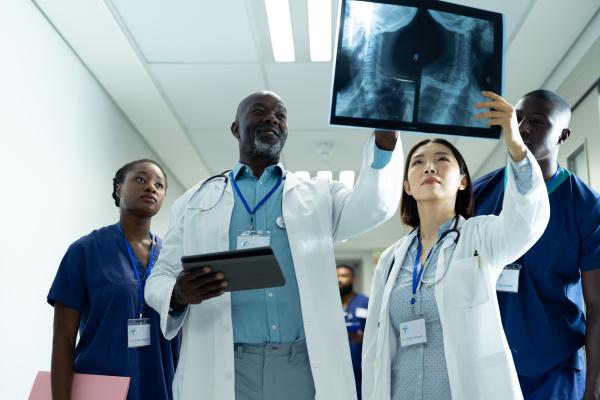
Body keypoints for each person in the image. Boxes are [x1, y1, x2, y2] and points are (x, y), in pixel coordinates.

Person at [144, 90, 404, 400]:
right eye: (259, 111)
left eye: (280, 115)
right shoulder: (195, 201)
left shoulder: (318, 196)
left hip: (301, 367)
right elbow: (160, 276)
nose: (271, 118)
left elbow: (373, 206)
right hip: (226, 364)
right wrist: (178, 294)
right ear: (235, 128)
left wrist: (385, 141)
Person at [362, 91, 551, 400]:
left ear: (463, 180)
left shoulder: (481, 237)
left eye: (442, 160)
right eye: (418, 162)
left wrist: (515, 144)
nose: (429, 167)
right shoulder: (391, 260)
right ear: (407, 186)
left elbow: (528, 220)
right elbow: (376, 346)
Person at [473, 89, 600, 400]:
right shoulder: (480, 194)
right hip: (485, 363)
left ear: (563, 135)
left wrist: (593, 389)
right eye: (517, 120)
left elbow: (598, 307)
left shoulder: (585, 206)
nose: (523, 128)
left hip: (552, 370)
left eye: (538, 122)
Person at [48, 159, 179, 400]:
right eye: (141, 179)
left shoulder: (173, 256)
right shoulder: (84, 251)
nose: (151, 187)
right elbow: (63, 341)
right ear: (119, 188)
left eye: (159, 185)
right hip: (101, 390)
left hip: (163, 389)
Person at [337, 264, 369, 399]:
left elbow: (377, 332)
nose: (339, 279)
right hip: (336, 367)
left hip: (360, 366)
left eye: (343, 276)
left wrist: (363, 338)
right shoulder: (328, 304)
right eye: (336, 276)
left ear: (353, 279)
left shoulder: (365, 302)